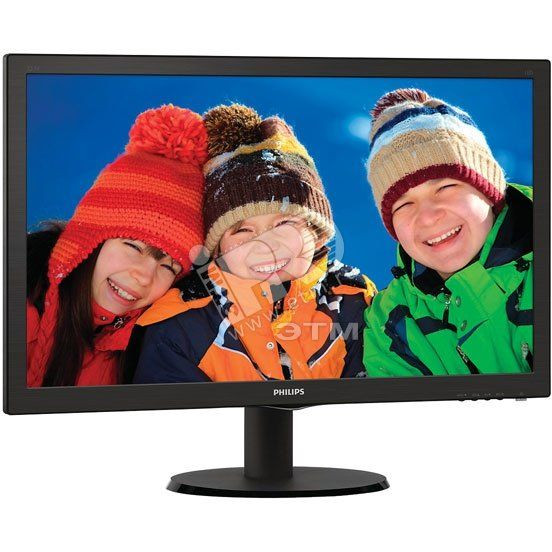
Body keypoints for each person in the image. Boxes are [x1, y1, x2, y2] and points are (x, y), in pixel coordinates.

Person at [132, 104, 376, 383]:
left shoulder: (353, 298)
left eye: (284, 224)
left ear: (316, 232)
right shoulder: (181, 326)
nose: (265, 245)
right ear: (217, 250)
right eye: (243, 230)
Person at [27, 104, 208, 387]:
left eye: (169, 267)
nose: (144, 277)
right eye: (133, 247)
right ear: (90, 239)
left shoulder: (149, 349)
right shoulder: (19, 302)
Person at [362, 88, 533, 377]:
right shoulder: (392, 323)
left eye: (445, 187)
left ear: (488, 190)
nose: (428, 217)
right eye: (404, 204)